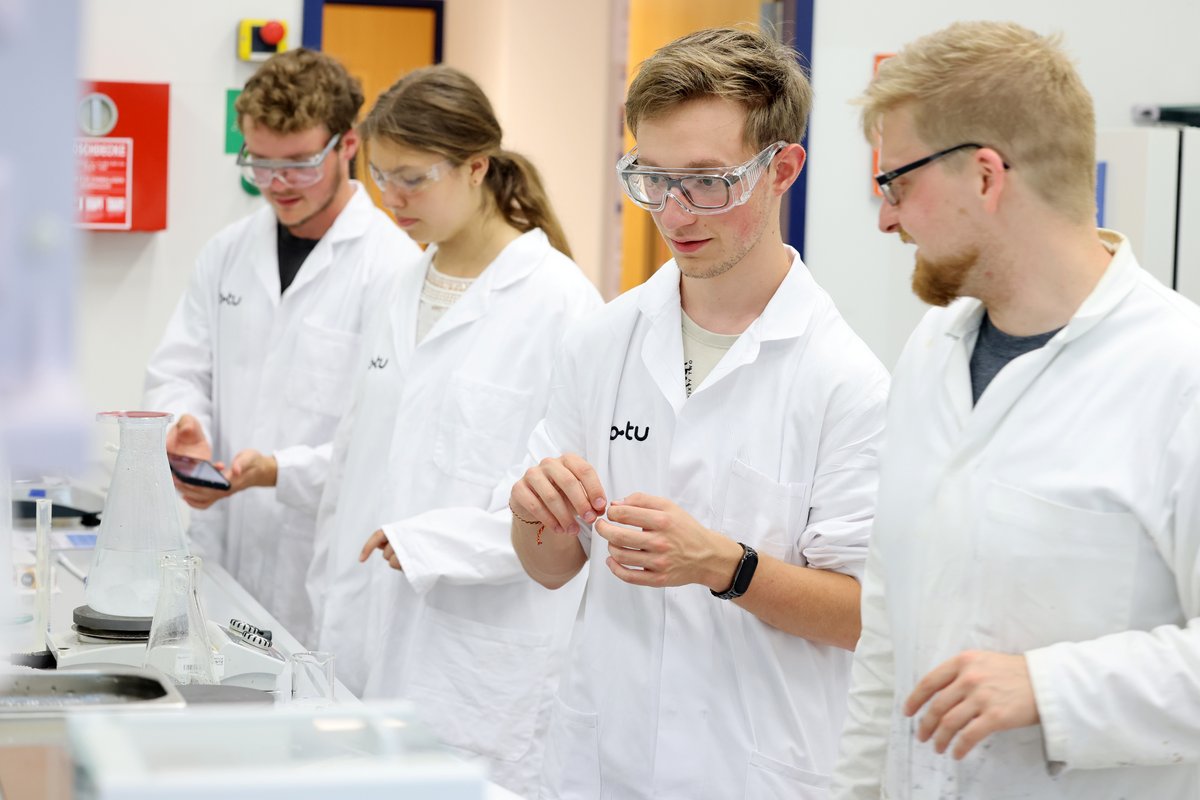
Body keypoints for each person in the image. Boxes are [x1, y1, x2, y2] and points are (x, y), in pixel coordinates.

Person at [508, 27, 890, 798]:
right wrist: (531, 515)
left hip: (749, 770)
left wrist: (725, 565)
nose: (674, 212)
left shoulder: (845, 380)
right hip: (600, 757)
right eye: (651, 178)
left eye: (707, 181)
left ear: (782, 169)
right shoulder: (602, 341)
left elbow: (866, 618)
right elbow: (552, 569)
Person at [831, 21, 1200, 800]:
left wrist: (1051, 687)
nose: (886, 219)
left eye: (896, 183)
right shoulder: (932, 352)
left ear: (987, 177)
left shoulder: (1180, 372)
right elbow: (888, 632)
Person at [304, 65, 601, 795]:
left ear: (476, 168)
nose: (392, 200)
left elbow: (573, 500)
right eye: (380, 178)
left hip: (481, 655)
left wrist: (433, 543)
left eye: (412, 179)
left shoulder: (562, 306)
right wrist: (329, 600)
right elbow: (354, 465)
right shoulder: (401, 286)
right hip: (366, 628)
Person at [143, 48, 421, 646]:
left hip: (317, 561)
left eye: (299, 163)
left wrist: (279, 471)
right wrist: (184, 423)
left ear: (348, 146)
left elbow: (385, 439)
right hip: (221, 545)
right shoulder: (228, 252)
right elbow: (180, 365)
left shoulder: (395, 268)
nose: (277, 185)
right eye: (260, 165)